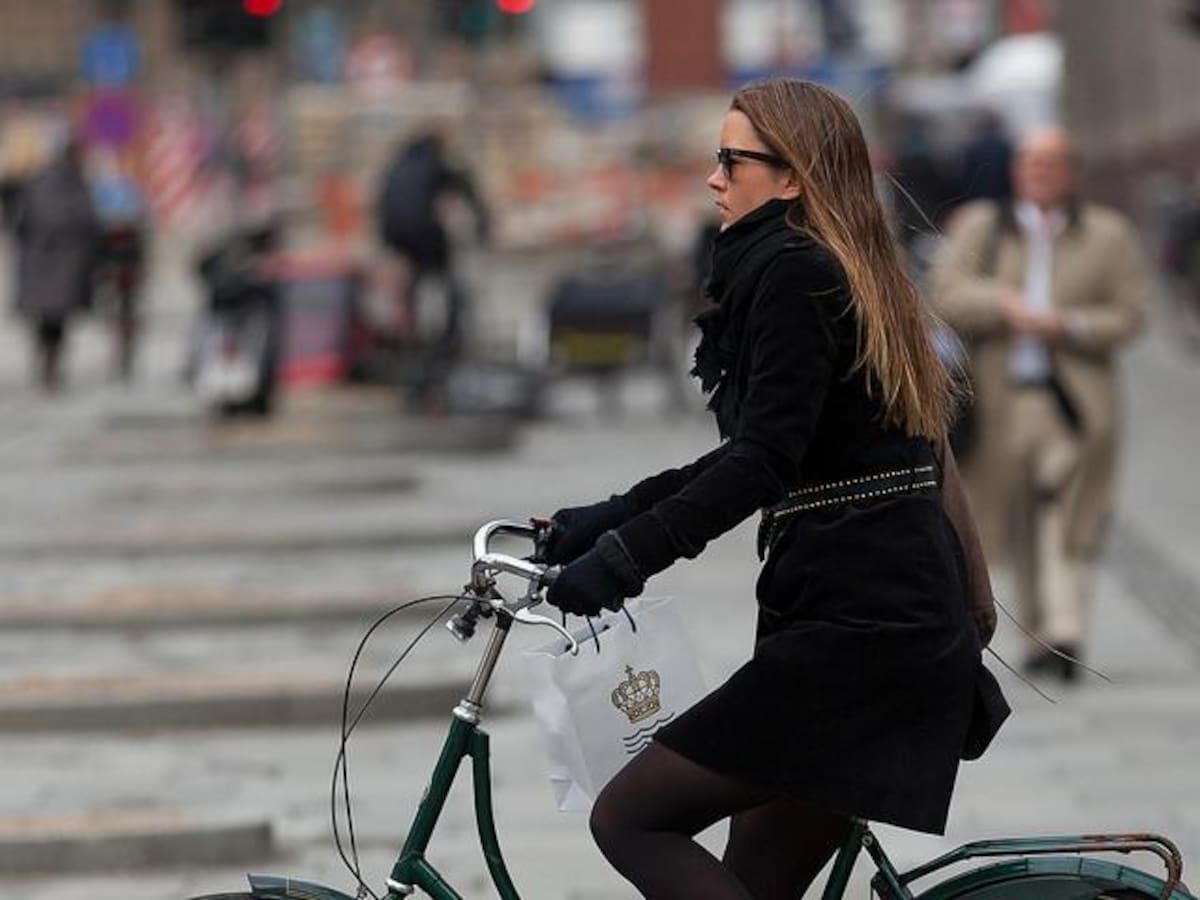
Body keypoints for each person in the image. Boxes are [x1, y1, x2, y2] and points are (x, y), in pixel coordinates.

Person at [539, 78, 1009, 900]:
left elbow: (762, 464)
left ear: (790, 177)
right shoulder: (838, 267)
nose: (714, 179)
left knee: (628, 820)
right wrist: (608, 519)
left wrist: (622, 561)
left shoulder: (792, 271)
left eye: (732, 159)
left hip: (860, 631)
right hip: (884, 617)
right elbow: (763, 452)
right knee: (751, 884)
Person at [930, 128, 1149, 682]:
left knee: (1067, 510)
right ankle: (1038, 634)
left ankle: (1066, 629)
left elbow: (1130, 315)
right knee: (1018, 514)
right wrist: (1002, 305)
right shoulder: (985, 226)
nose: (1038, 173)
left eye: (1050, 164)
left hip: (1076, 403)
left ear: (1072, 173)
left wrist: (1069, 324)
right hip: (999, 401)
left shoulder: (1107, 234)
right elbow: (945, 293)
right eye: (1029, 163)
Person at [375, 129, 489, 404]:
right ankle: (449, 338)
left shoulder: (398, 165)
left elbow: (384, 204)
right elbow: (464, 185)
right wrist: (483, 221)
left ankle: (410, 332)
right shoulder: (434, 163)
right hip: (424, 232)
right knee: (447, 281)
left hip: (396, 235)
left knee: (416, 282)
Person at [12, 137, 101, 392]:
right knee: (58, 319)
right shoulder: (77, 184)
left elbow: (20, 222)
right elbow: (91, 221)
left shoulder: (36, 182)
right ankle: (52, 363)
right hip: (67, 263)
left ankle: (46, 359)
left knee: (44, 318)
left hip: (37, 262)